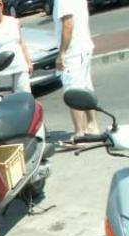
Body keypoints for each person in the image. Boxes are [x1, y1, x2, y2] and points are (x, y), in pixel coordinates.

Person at [53, 0, 98, 139]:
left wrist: (61, 54)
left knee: (73, 91)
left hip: (73, 51)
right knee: (85, 87)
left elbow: (68, 25)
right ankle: (92, 125)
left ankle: (80, 133)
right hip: (84, 47)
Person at [0, 0, 33, 94]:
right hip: (0, 72)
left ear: (1, 7)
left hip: (19, 66)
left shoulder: (14, 22)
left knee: (25, 97)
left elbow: (21, 43)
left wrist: (28, 61)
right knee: (7, 102)